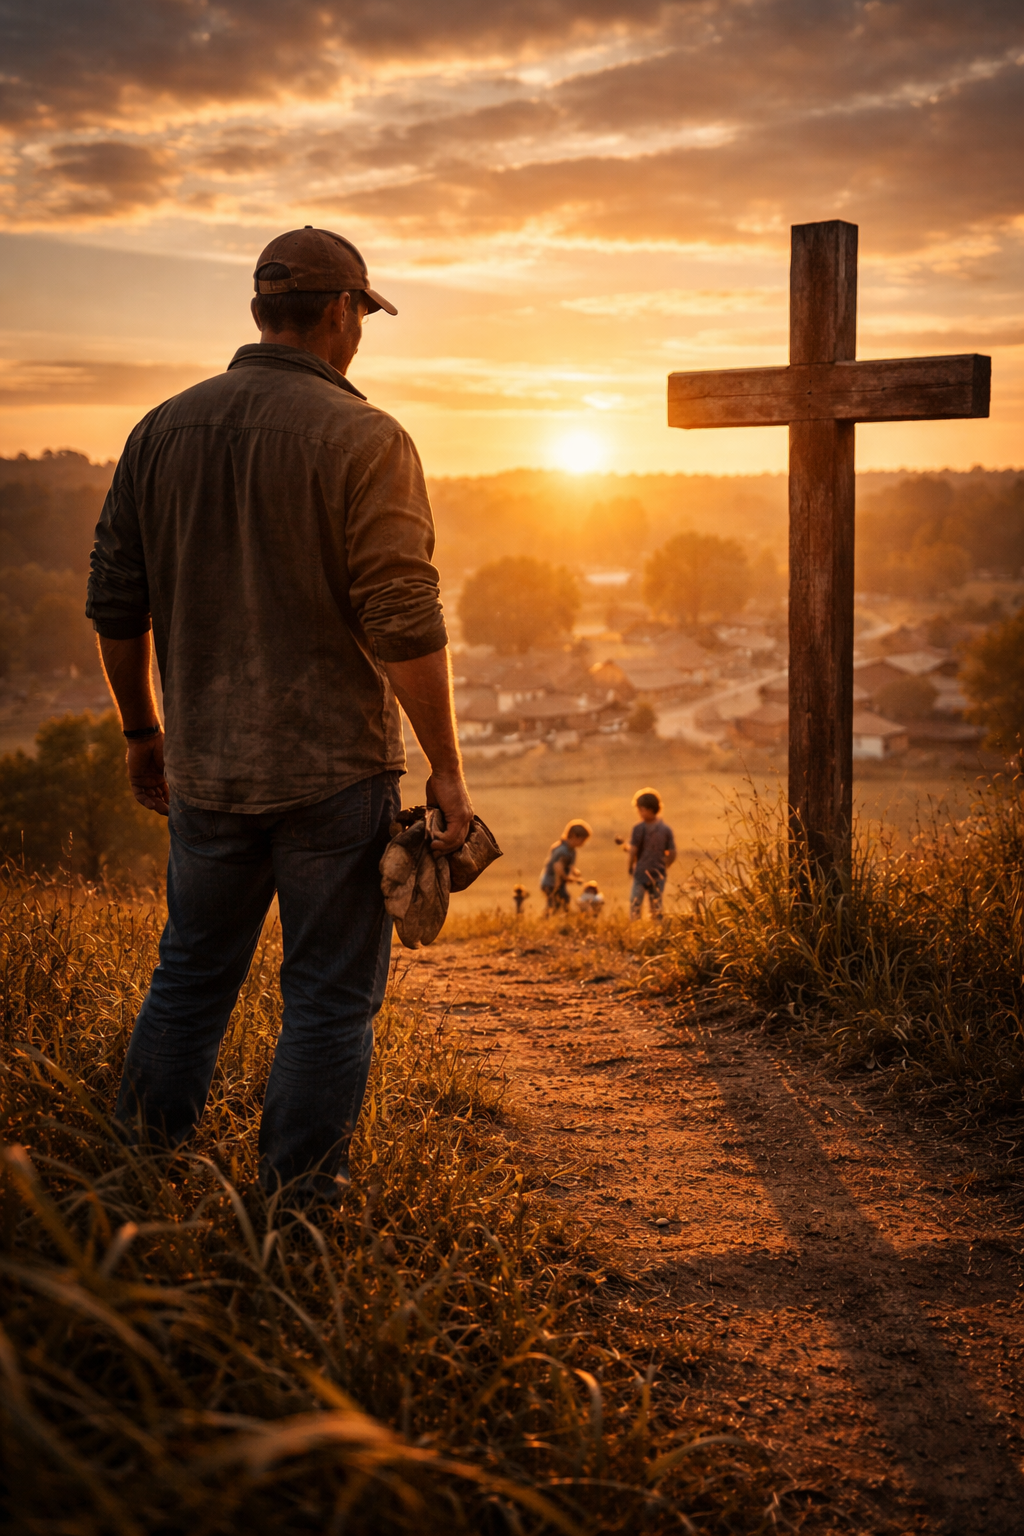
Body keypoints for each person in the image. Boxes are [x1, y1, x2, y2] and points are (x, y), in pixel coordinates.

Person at [86, 226, 473, 1209]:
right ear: (344, 313)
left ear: (261, 313)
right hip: (333, 775)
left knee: (188, 983)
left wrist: (143, 733)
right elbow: (403, 619)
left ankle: (130, 1199)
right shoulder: (367, 438)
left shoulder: (158, 432)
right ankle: (294, 1223)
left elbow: (114, 603)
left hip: (206, 771)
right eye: (363, 317)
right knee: (329, 1003)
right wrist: (446, 768)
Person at [626, 789, 676, 918]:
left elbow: (633, 851)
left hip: (640, 872)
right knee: (656, 906)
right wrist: (664, 866)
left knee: (635, 905)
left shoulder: (638, 829)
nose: (639, 813)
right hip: (658, 874)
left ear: (646, 809)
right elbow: (672, 853)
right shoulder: (665, 829)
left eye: (640, 809)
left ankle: (636, 930)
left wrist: (630, 866)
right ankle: (657, 931)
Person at [540, 820, 590, 913]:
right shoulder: (562, 850)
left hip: (559, 883)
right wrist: (566, 877)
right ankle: (549, 921)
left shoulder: (572, 851)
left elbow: (571, 866)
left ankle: (554, 920)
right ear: (574, 836)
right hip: (551, 882)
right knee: (558, 901)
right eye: (582, 840)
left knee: (561, 900)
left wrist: (576, 874)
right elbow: (557, 866)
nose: (583, 843)